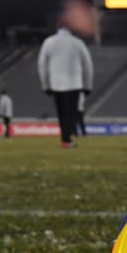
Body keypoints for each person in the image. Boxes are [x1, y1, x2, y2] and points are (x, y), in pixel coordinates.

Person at [38, 11, 94, 149]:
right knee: (71, 113)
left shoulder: (48, 42)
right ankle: (67, 139)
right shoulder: (77, 43)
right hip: (74, 84)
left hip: (56, 84)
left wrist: (45, 85)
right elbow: (88, 65)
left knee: (61, 113)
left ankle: (65, 138)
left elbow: (42, 65)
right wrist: (88, 85)